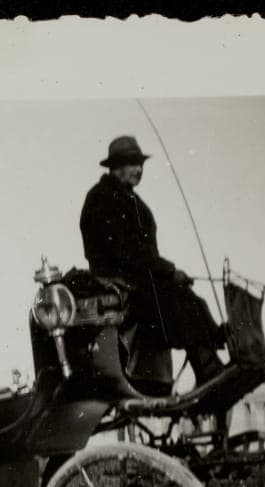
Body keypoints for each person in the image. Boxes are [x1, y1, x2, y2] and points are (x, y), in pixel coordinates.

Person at [79, 135, 226, 387]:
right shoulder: (103, 198)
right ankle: (208, 368)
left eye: (140, 164)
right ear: (114, 167)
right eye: (131, 163)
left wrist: (166, 272)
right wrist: (169, 271)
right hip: (118, 284)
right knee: (179, 299)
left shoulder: (129, 199)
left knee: (185, 297)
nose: (138, 169)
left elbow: (141, 252)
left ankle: (209, 358)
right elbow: (126, 251)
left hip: (139, 278)